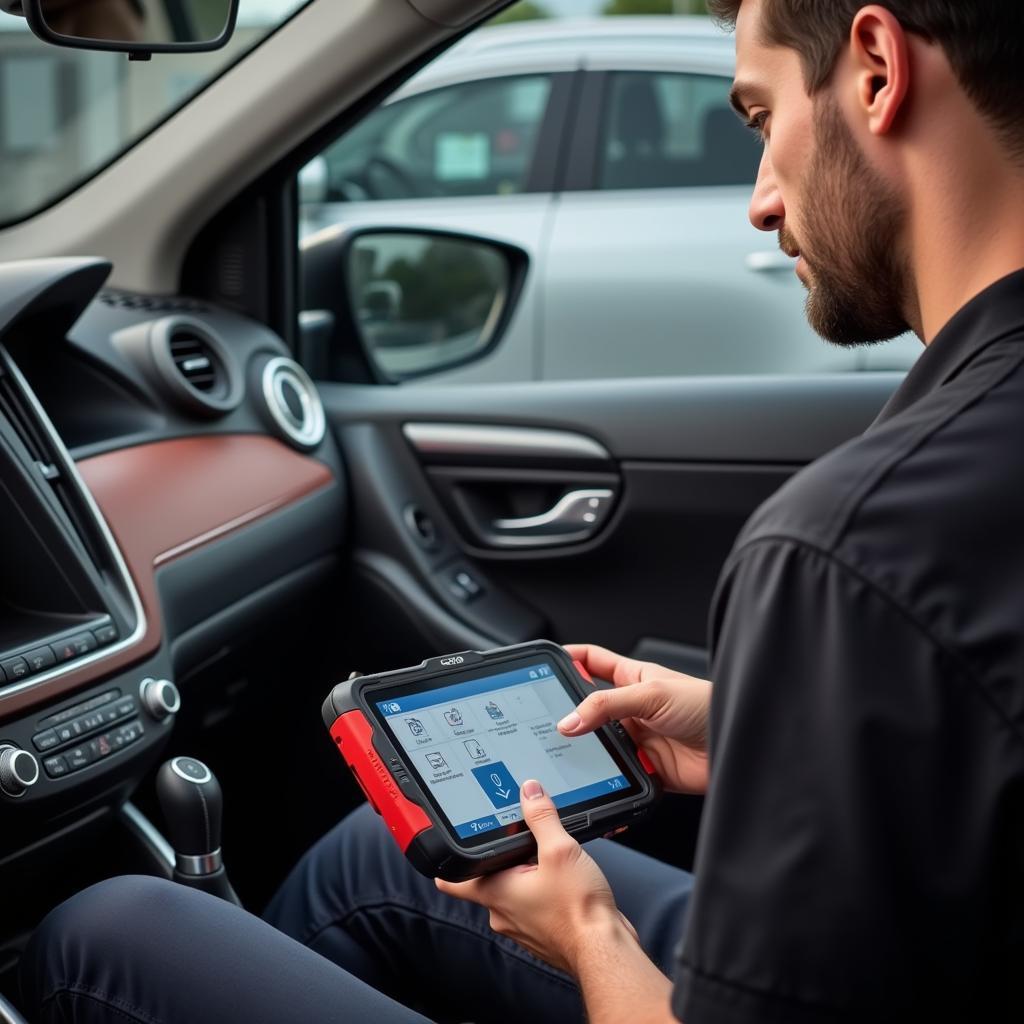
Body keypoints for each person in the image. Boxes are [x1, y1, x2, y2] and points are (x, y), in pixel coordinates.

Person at [19, 0, 1024, 1020]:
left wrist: (589, 934)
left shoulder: (850, 549)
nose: (761, 202)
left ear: (875, 68)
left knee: (99, 938)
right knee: (390, 855)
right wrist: (754, 726)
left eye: (760, 120)